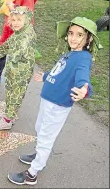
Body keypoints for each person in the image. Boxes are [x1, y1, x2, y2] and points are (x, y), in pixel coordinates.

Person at [7, 17, 102, 186]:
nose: (73, 38)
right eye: (71, 33)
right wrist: (45, 76)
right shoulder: (71, 53)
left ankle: (32, 173)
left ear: (88, 39)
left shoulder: (83, 58)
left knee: (46, 138)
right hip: (48, 100)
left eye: (79, 35)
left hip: (57, 105)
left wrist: (84, 89)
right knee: (39, 129)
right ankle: (38, 156)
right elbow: (59, 71)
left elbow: (82, 77)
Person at [0, 6, 36, 130]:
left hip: (21, 72)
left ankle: (8, 120)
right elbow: (8, 43)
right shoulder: (18, 32)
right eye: (14, 20)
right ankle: (10, 113)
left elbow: (22, 48)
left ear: (26, 20)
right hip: (13, 69)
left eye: (19, 20)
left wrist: (14, 56)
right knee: (10, 92)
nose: (15, 23)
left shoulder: (27, 35)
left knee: (16, 94)